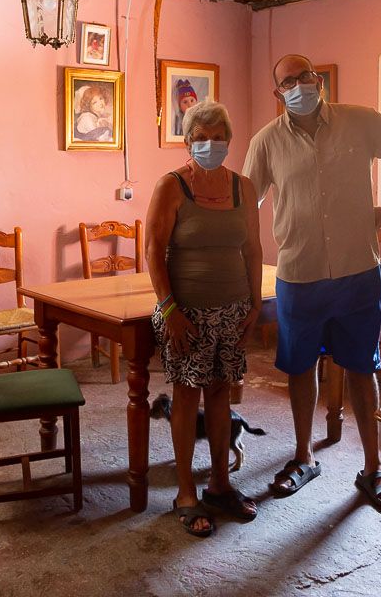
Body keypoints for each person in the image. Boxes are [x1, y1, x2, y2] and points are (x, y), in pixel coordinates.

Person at [242, 54, 381, 513]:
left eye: (305, 76)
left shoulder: (360, 122)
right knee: (300, 367)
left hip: (357, 271)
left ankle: (373, 468)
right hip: (299, 274)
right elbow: (245, 204)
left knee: (362, 368)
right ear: (277, 93)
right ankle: (304, 457)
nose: (299, 85)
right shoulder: (266, 142)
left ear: (318, 81)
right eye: (288, 81)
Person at [145, 100, 264, 537]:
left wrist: (254, 304)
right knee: (186, 395)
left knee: (220, 394)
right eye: (201, 138)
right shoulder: (172, 186)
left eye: (218, 137)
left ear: (229, 141)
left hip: (233, 308)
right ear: (187, 141)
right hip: (186, 313)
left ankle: (219, 484)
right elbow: (153, 250)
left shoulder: (243, 187)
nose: (210, 144)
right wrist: (169, 309)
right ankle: (184, 492)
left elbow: (253, 249)